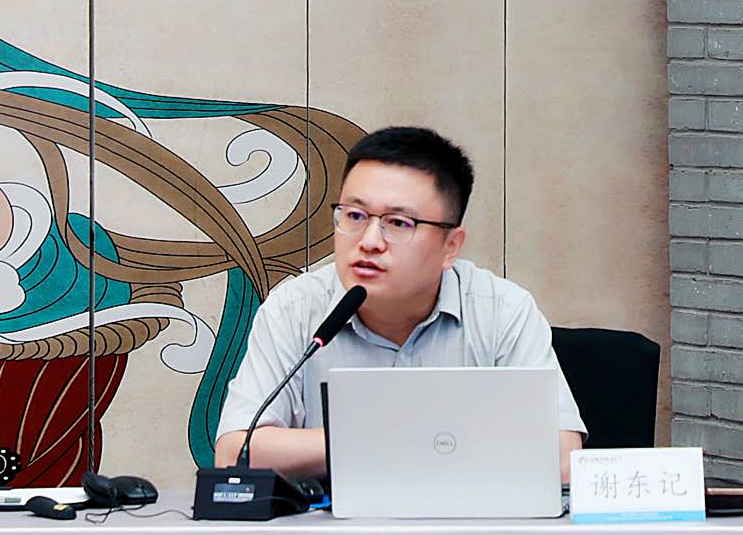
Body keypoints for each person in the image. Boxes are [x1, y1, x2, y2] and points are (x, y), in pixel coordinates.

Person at [215, 126, 586, 483]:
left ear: (451, 246)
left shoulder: (502, 311)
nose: (369, 241)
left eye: (398, 223)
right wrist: (394, 437)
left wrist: (387, 441)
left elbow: (562, 458)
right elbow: (235, 454)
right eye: (355, 216)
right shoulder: (294, 310)